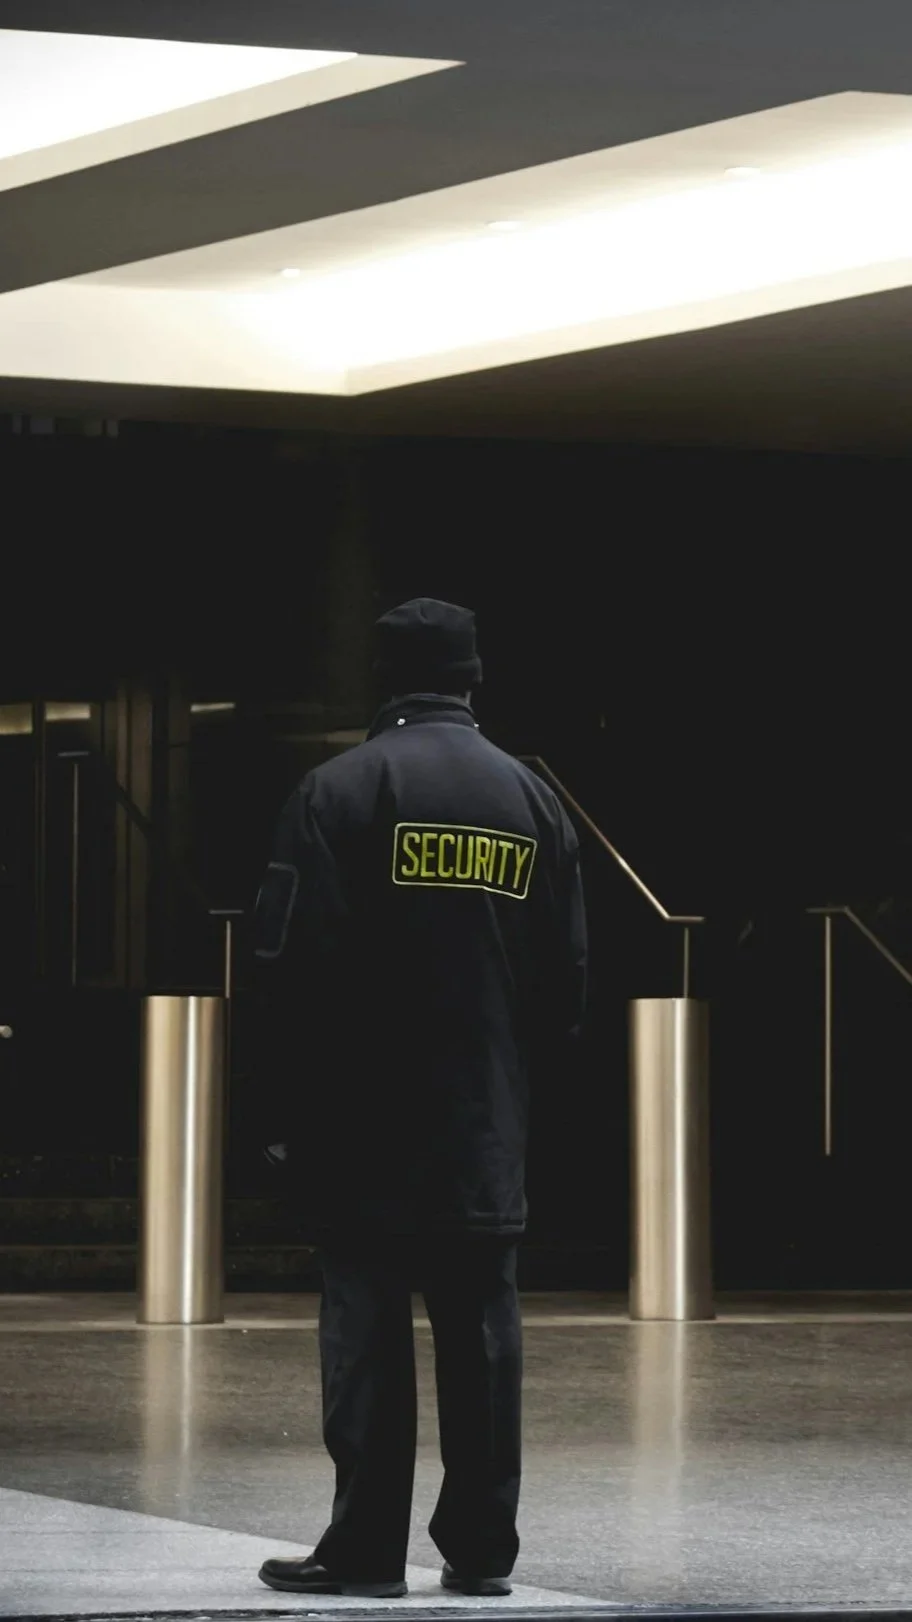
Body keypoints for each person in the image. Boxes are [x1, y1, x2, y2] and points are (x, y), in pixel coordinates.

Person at [252, 598, 587, 1600]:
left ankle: (363, 1547)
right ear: (474, 676)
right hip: (483, 1119)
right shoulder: (534, 798)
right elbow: (564, 988)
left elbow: (289, 972)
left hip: (362, 1125)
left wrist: (282, 1118)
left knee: (367, 1330)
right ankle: (481, 1548)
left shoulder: (338, 789)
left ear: (384, 677)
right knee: (484, 1329)